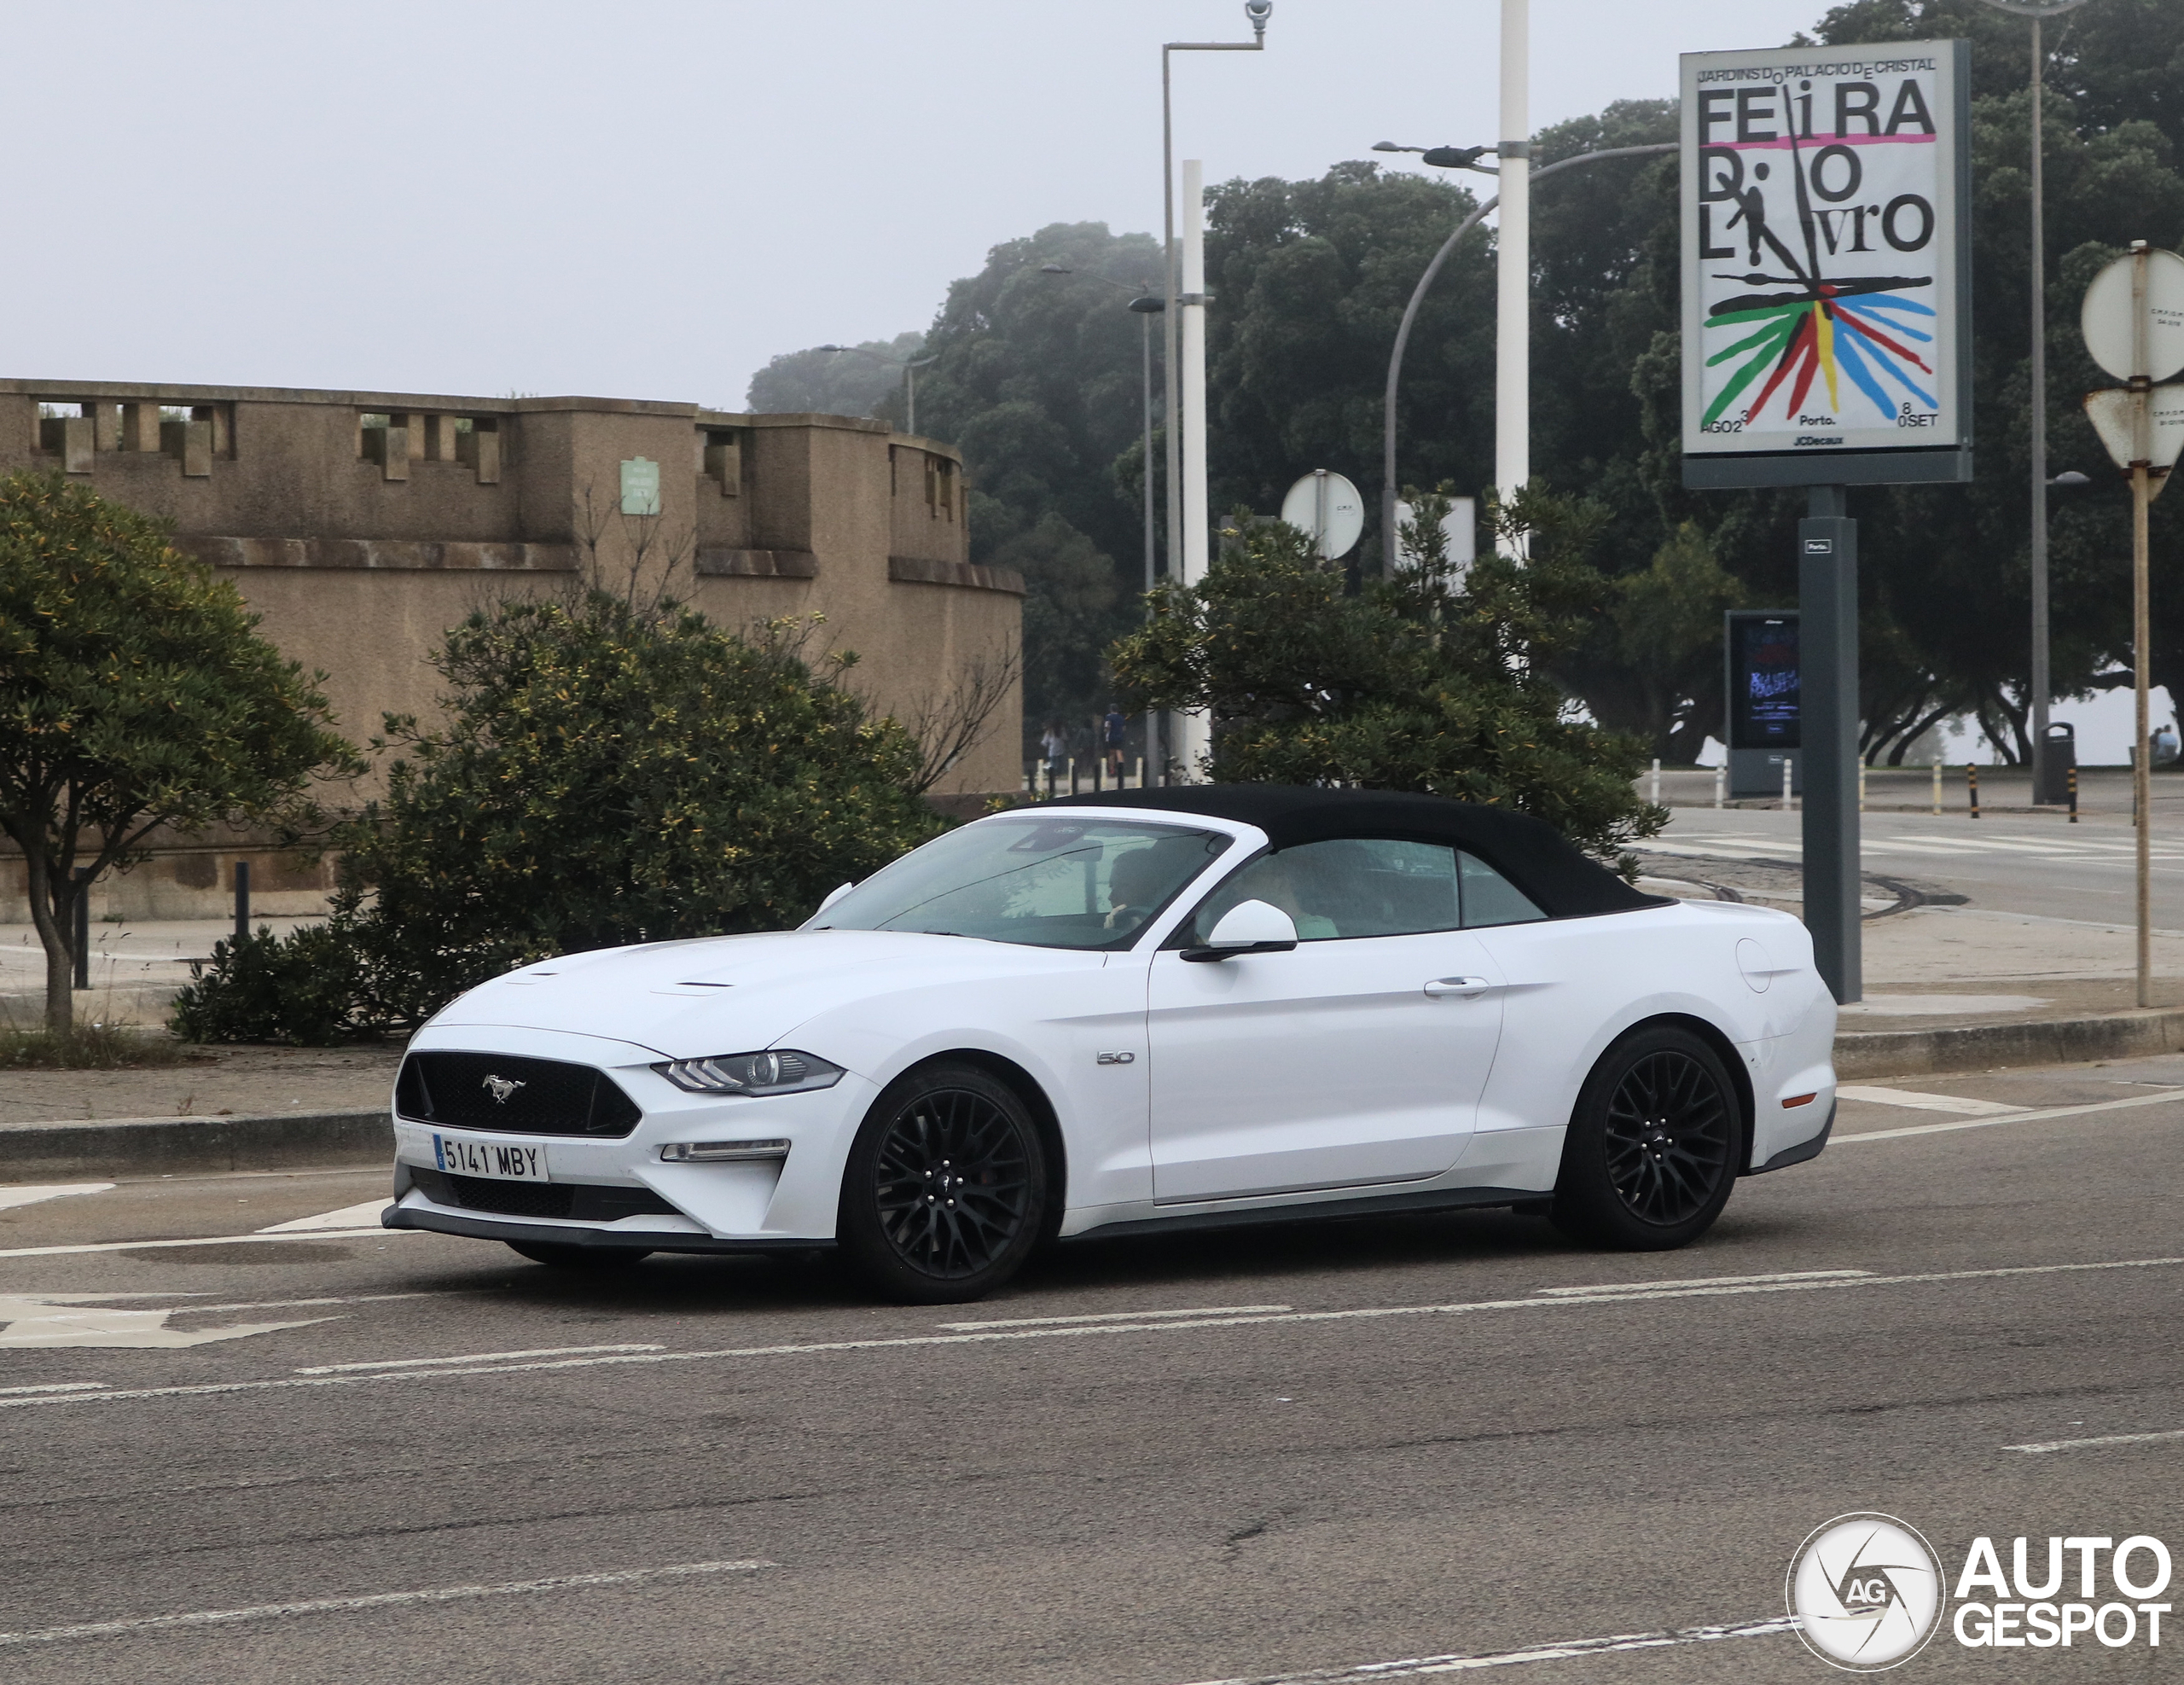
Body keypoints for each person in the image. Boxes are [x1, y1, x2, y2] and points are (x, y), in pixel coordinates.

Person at [1101, 703, 1128, 781]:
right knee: (1119, 752)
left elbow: (1107, 726)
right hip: (1119, 737)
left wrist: (1105, 732)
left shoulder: (1109, 717)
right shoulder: (1121, 718)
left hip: (1111, 737)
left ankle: (1112, 770)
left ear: (1111, 709)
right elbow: (1124, 728)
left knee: (1112, 753)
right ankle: (1121, 769)